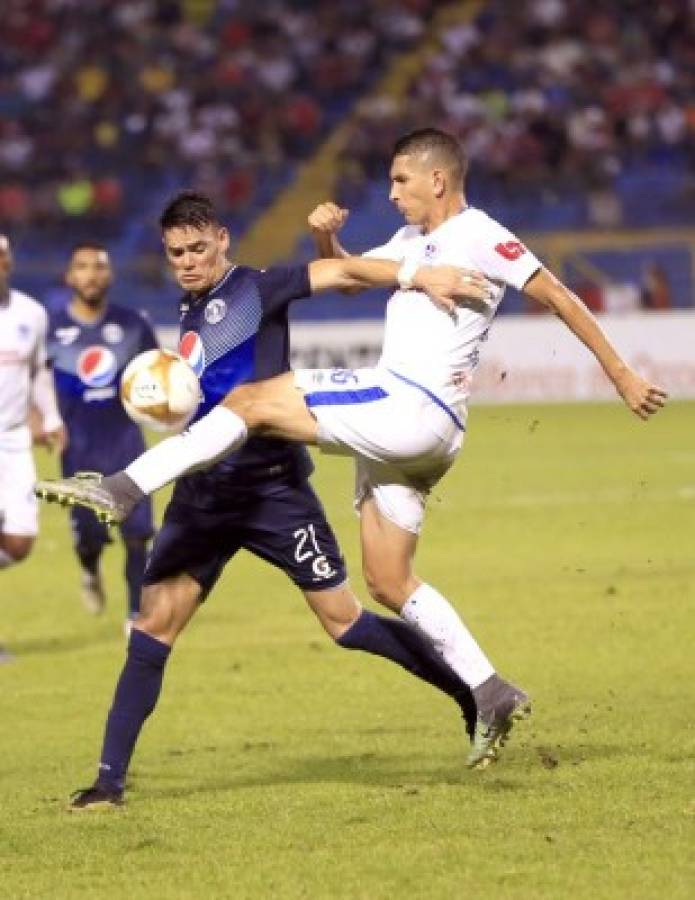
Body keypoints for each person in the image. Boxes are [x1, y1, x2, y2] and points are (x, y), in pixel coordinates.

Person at [40, 127, 668, 779]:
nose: (389, 191)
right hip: (414, 439)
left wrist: (619, 374)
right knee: (388, 580)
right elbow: (348, 276)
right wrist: (325, 238)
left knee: (255, 400)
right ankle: (487, 690)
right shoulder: (408, 243)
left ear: (436, 180)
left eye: (399, 180)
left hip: (409, 404)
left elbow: (556, 295)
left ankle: (123, 487)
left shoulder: (480, 234)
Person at [37, 190, 494, 808]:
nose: (189, 261)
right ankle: (108, 784)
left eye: (198, 248)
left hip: (275, 491)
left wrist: (418, 273)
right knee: (152, 629)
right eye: (177, 253)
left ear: (223, 238)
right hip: (204, 496)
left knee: (345, 624)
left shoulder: (258, 287)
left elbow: (343, 270)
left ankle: (472, 695)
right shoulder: (189, 305)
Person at [46, 243, 157, 627]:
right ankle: (90, 569)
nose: (91, 274)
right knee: (91, 537)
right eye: (82, 267)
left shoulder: (133, 325)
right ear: (69, 276)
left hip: (127, 442)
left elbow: (157, 376)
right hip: (77, 449)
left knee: (138, 534)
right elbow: (33, 383)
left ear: (109, 275)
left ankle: (134, 615)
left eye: (99, 267)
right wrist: (42, 420)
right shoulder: (51, 329)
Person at [0, 234, 66, 661]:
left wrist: (51, 417)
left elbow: (39, 373)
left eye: (2, 257)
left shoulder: (31, 314)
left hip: (13, 442)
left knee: (19, 541)